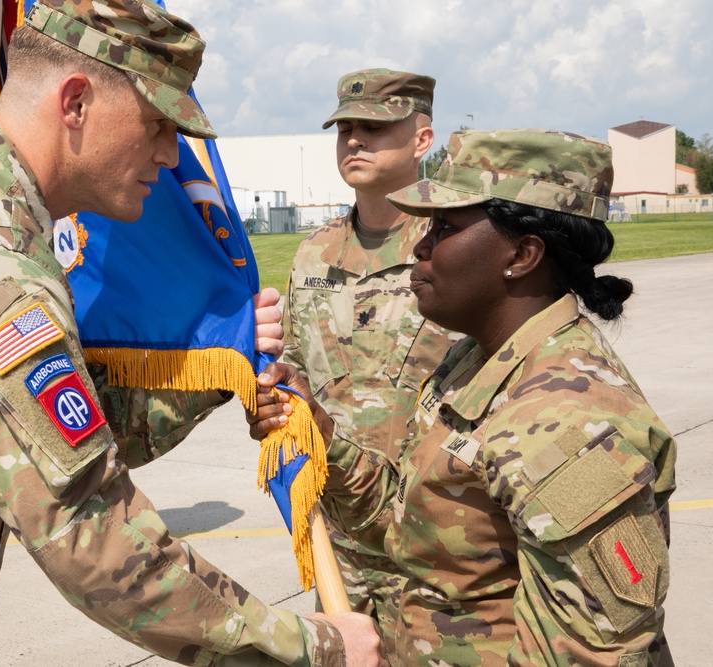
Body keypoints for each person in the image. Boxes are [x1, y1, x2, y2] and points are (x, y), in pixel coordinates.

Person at [0, 1, 383, 665]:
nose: (171, 156)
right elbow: (86, 526)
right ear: (75, 101)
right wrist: (313, 647)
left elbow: (26, 437)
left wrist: (216, 377)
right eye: (158, 124)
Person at [255, 128, 677, 665]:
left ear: (522, 254)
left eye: (446, 228)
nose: (421, 247)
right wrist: (322, 437)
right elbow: (409, 523)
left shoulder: (567, 424)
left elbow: (590, 653)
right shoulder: (473, 361)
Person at [266, 68, 456, 659]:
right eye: (345, 127)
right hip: (340, 538)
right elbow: (294, 369)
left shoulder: (453, 251)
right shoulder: (314, 252)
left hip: (434, 538)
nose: (354, 140)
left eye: (374, 127)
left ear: (421, 140)